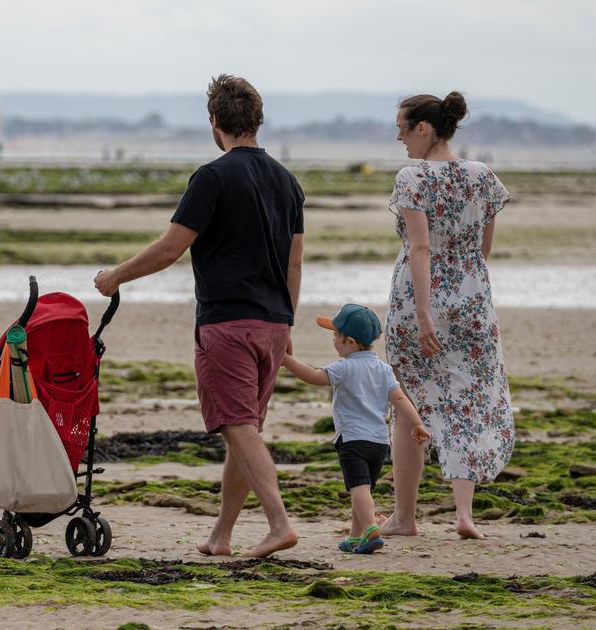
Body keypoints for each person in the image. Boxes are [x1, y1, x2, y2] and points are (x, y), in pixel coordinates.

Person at [94, 74, 304, 558]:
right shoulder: (287, 182)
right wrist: (287, 321)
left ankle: (279, 524)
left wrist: (116, 277)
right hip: (273, 321)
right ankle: (222, 535)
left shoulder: (211, 177)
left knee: (237, 426)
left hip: (227, 322)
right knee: (244, 430)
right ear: (258, 121)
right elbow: (295, 262)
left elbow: (171, 248)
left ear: (214, 123)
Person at [379, 91, 514, 540]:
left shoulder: (412, 177)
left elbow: (420, 247)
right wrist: (466, 283)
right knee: (469, 400)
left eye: (402, 128)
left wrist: (423, 312)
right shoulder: (482, 176)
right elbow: (484, 247)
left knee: (409, 404)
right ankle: (463, 513)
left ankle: (404, 517)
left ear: (423, 128)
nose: (399, 138)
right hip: (473, 296)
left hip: (420, 297)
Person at [281, 304, 429, 553]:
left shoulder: (344, 367)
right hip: (379, 442)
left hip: (353, 439)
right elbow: (401, 399)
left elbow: (314, 377)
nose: (334, 341)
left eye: (335, 336)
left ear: (349, 341)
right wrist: (417, 424)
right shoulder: (383, 369)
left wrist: (285, 359)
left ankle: (371, 529)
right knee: (363, 490)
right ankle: (354, 537)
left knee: (358, 489)